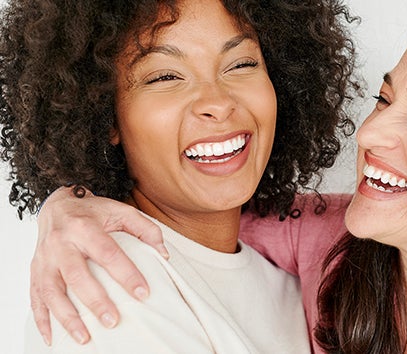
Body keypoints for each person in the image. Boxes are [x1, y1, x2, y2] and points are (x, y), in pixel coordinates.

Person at [16, 4, 407, 353]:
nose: (368, 136)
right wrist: (70, 200)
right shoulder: (326, 242)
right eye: (383, 100)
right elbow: (198, 210)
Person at [0, 0, 361, 352]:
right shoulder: (111, 292)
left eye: (240, 64)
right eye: (166, 76)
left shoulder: (299, 283)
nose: (218, 103)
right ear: (105, 115)